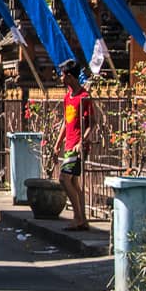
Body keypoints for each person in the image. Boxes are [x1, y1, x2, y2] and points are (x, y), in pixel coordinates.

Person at [50, 59, 95, 229]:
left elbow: (93, 123)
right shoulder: (68, 96)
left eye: (62, 74)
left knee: (64, 179)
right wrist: (57, 143)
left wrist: (82, 141)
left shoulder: (84, 97)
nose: (60, 78)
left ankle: (78, 217)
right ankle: (82, 219)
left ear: (69, 76)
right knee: (75, 183)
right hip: (69, 143)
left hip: (77, 146)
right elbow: (65, 122)